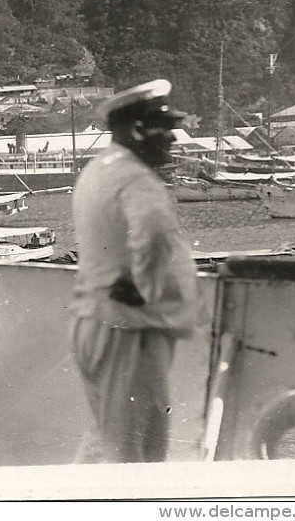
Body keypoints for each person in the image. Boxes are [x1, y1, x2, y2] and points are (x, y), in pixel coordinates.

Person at [69, 79, 207, 463]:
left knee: (107, 439)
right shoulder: (137, 180)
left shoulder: (99, 170)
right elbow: (153, 239)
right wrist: (151, 296)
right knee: (138, 455)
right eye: (165, 130)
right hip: (133, 330)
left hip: (97, 322)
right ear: (137, 130)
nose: (173, 140)